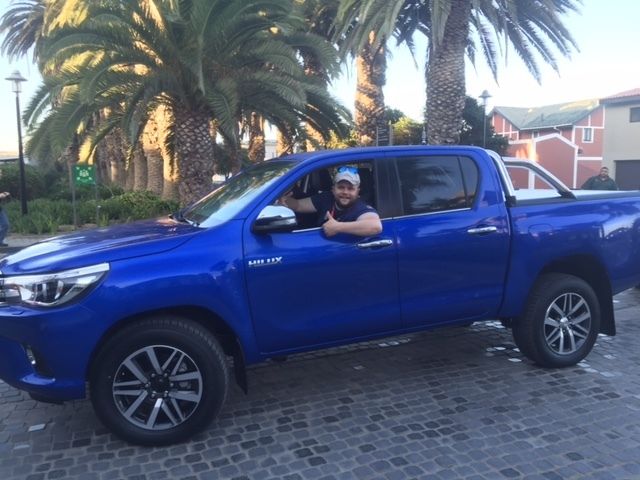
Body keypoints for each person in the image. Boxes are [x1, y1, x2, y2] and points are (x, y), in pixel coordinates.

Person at [280, 166, 382, 237]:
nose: (345, 192)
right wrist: (283, 202)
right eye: (341, 187)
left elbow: (375, 226)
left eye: (350, 188)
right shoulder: (326, 198)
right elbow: (298, 205)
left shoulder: (361, 207)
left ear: (357, 192)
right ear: (333, 189)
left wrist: (338, 227)